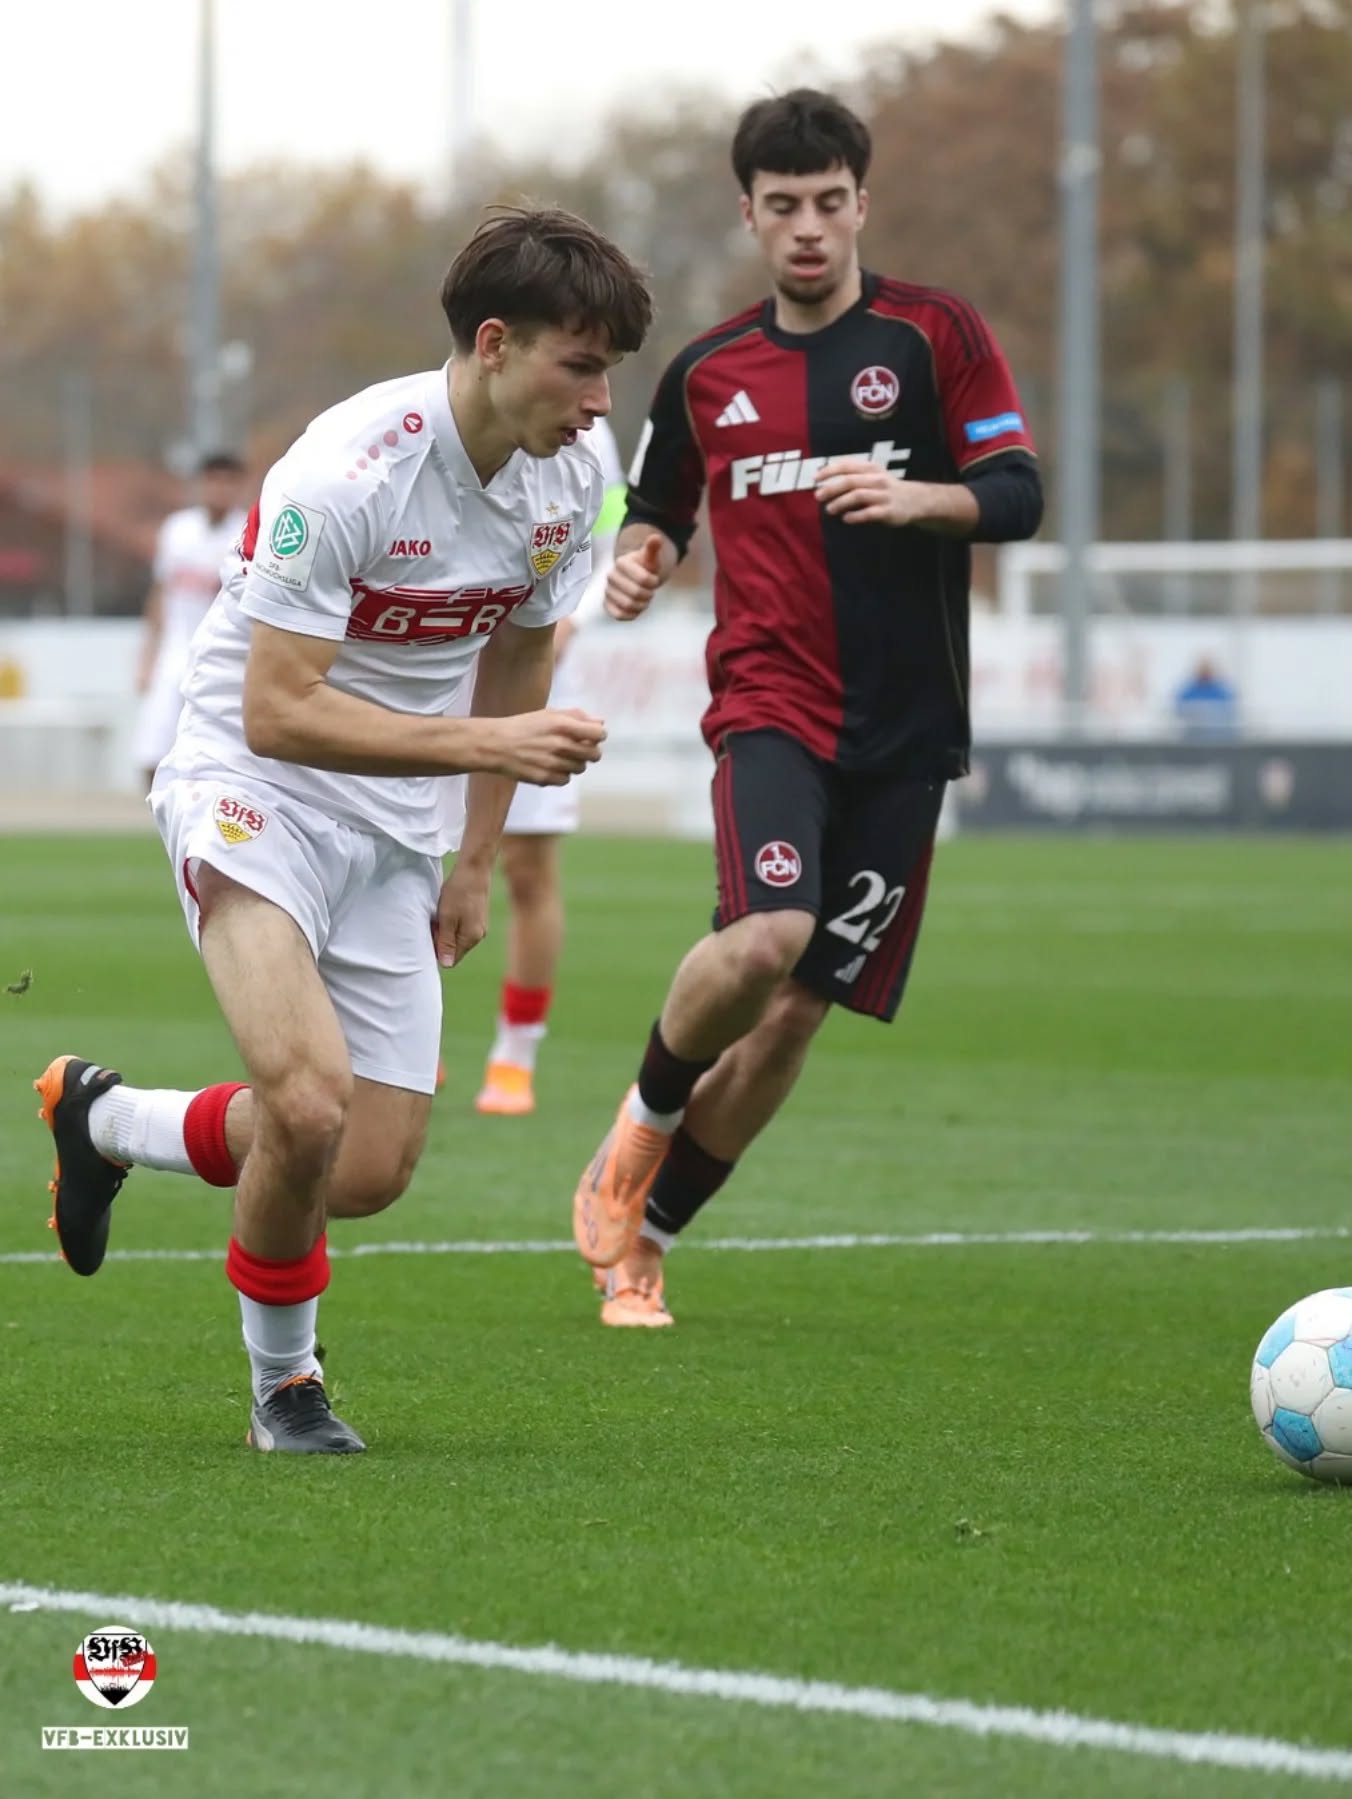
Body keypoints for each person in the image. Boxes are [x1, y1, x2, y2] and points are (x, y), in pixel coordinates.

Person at [34, 204, 652, 1451]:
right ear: (493, 343)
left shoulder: (579, 472)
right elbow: (278, 710)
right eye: (580, 364)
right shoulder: (346, 469)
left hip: (399, 820)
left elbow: (523, 652)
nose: (599, 399)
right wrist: (487, 751)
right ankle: (287, 1383)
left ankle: (106, 1121)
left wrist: (475, 855)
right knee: (307, 1105)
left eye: (609, 371)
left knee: (363, 1165)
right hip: (250, 785)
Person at [571, 89, 1043, 1328]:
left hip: (909, 727)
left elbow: (1016, 489)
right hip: (771, 703)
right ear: (750, 214)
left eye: (830, 203)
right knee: (768, 934)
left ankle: (645, 1246)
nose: (809, 229)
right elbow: (656, 508)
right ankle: (642, 1119)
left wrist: (923, 500)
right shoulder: (709, 371)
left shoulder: (935, 336)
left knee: (792, 1018)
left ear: (860, 203)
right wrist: (640, 558)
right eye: (784, 207)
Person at [470, 416, 628, 1117]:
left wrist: (570, 622)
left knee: (528, 869)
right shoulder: (462, 411)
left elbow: (613, 549)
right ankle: (402, 1040)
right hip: (444, 667)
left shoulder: (595, 438)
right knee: (400, 850)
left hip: (541, 669)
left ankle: (515, 1054)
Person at [133, 452, 251, 788]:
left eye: (229, 481)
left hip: (224, 653)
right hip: (176, 649)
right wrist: (146, 656)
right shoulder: (178, 530)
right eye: (213, 480)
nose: (220, 489)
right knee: (152, 746)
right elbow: (160, 594)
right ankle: (158, 821)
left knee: (225, 749)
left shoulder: (246, 533)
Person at [1173, 656, 1239, 741]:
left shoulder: (1222, 691)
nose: (1205, 671)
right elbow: (1179, 709)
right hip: (1192, 736)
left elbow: (1229, 711)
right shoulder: (1189, 690)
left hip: (1219, 737)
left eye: (1207, 669)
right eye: (1203, 668)